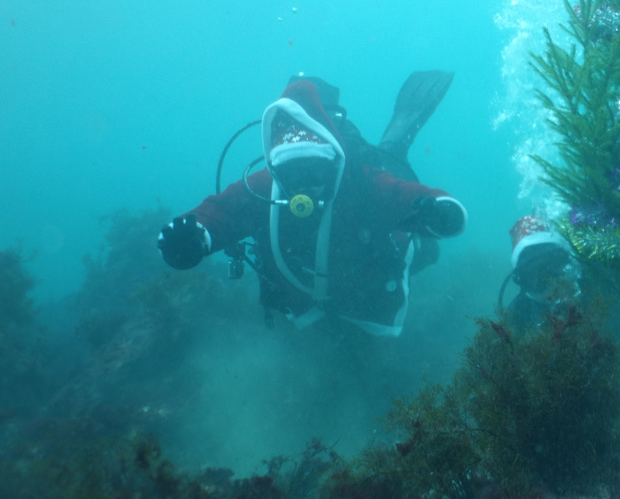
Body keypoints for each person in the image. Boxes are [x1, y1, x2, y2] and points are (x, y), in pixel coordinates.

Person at [156, 76, 466, 337]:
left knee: (426, 252)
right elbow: (221, 212)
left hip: (369, 291)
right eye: (293, 172)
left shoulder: (362, 182)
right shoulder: (264, 187)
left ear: (334, 161)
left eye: (314, 170)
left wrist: (439, 213)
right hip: (305, 304)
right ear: (276, 169)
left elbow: (404, 194)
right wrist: (194, 236)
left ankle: (394, 145)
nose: (304, 185)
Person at [498, 215, 581, 330]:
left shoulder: (594, 289)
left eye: (553, 265)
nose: (545, 280)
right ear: (521, 280)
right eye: (531, 273)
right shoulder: (517, 315)